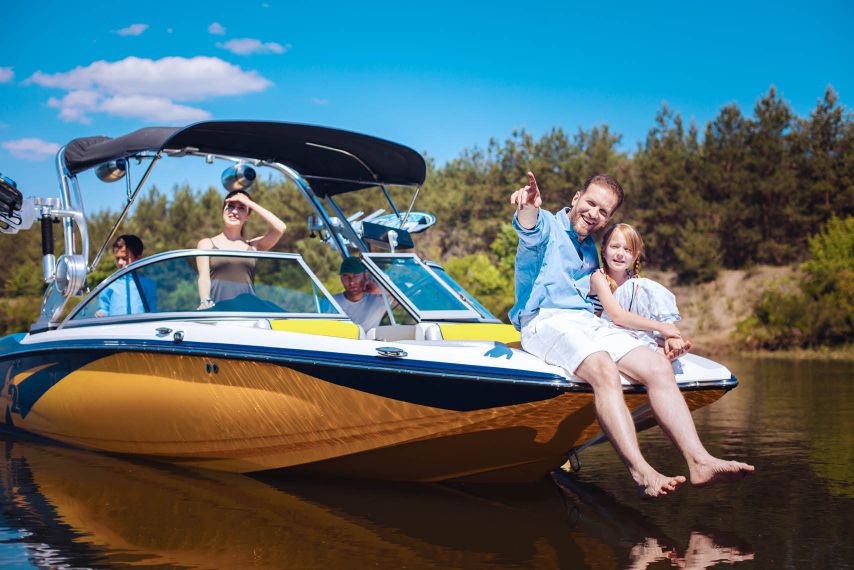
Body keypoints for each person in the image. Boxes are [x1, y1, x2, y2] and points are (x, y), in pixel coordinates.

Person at [510, 171, 753, 498]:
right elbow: (530, 229)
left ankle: (700, 461)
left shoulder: (590, 248)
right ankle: (642, 472)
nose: (594, 213)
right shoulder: (549, 227)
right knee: (603, 369)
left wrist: (662, 335)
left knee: (656, 367)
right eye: (591, 203)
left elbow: (615, 304)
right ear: (576, 198)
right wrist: (527, 208)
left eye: (604, 212)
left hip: (586, 323)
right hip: (544, 319)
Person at [590, 223, 692, 360]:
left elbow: (644, 317)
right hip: (602, 331)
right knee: (642, 286)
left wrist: (667, 331)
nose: (620, 254)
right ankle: (663, 342)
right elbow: (617, 316)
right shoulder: (598, 277)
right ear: (603, 250)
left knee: (647, 290)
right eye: (614, 247)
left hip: (629, 331)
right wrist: (661, 326)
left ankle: (670, 339)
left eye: (627, 250)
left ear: (635, 256)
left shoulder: (634, 283)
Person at [196, 189, 286, 308]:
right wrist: (204, 301)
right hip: (219, 312)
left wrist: (250, 203)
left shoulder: (253, 246)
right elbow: (203, 278)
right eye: (230, 206)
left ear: (248, 215)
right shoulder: (207, 244)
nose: (234, 211)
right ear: (223, 210)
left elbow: (280, 228)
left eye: (241, 208)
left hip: (249, 313)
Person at [95, 235, 157, 317]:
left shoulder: (148, 285)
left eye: (125, 258)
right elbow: (104, 308)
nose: (120, 262)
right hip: (115, 328)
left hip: (139, 328)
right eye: (117, 258)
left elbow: (153, 312)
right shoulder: (109, 284)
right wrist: (101, 313)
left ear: (138, 259)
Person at [332, 256, 392, 332]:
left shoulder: (379, 301)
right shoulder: (331, 302)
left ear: (365, 275)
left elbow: (405, 290)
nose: (351, 282)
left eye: (355, 276)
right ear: (341, 278)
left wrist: (377, 290)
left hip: (367, 343)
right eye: (346, 276)